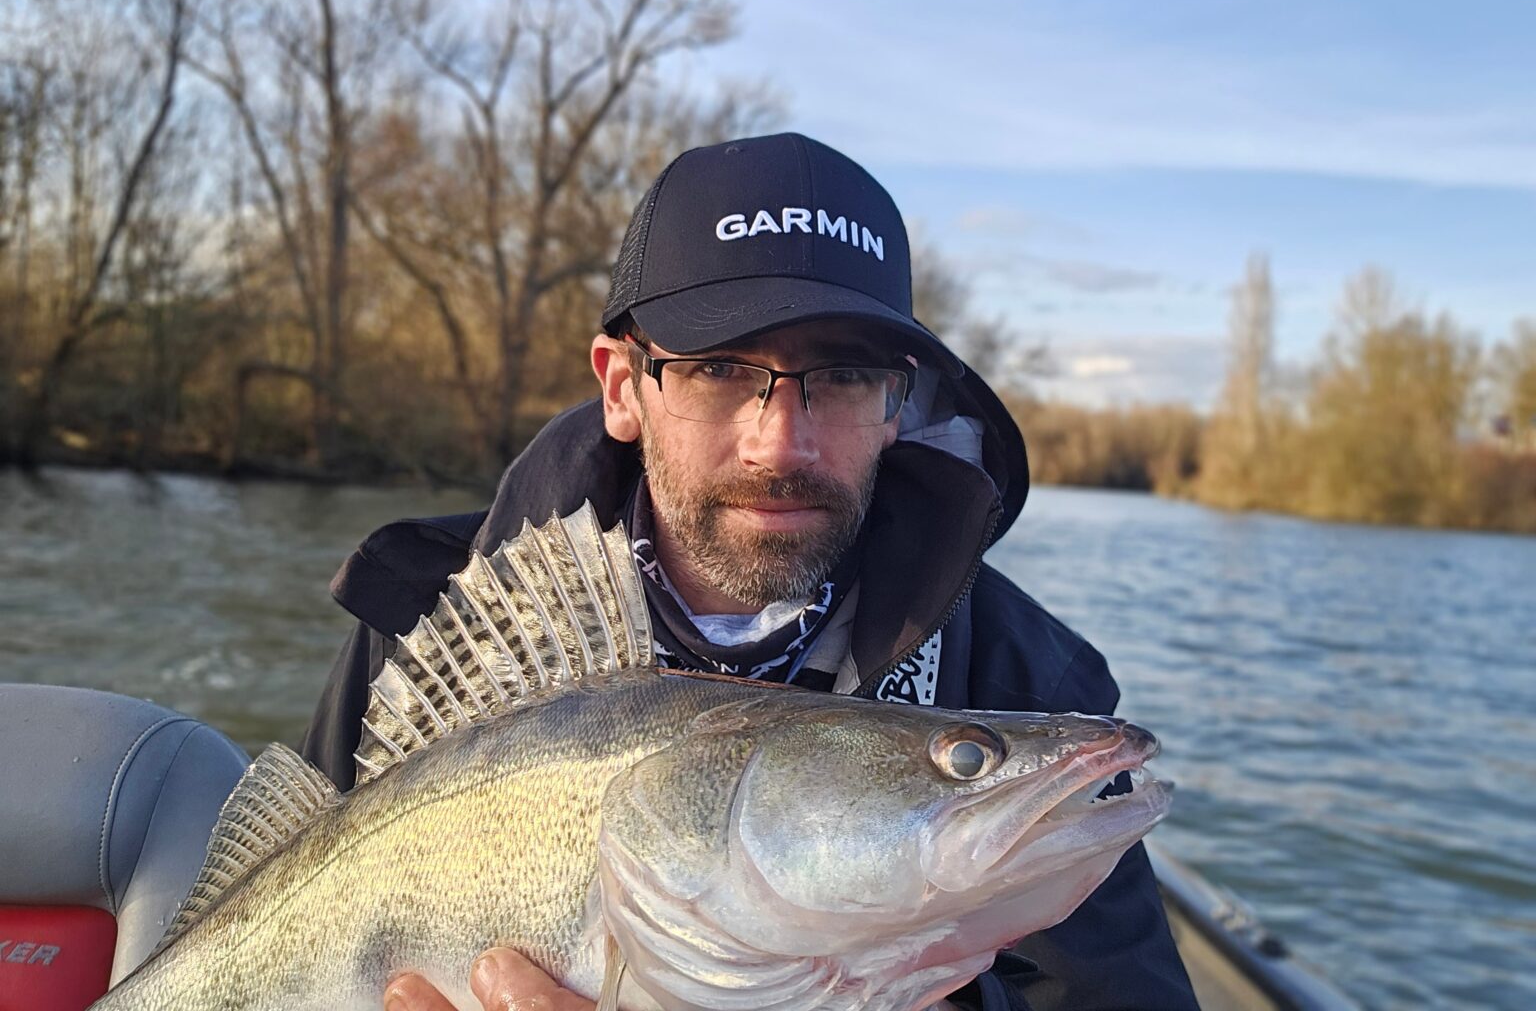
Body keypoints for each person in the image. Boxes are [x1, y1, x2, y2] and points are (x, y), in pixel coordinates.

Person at [303, 132, 1199, 1011]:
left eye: (843, 376)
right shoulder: (424, 624)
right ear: (623, 386)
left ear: (898, 404)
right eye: (720, 368)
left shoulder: (1028, 677)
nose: (781, 444)